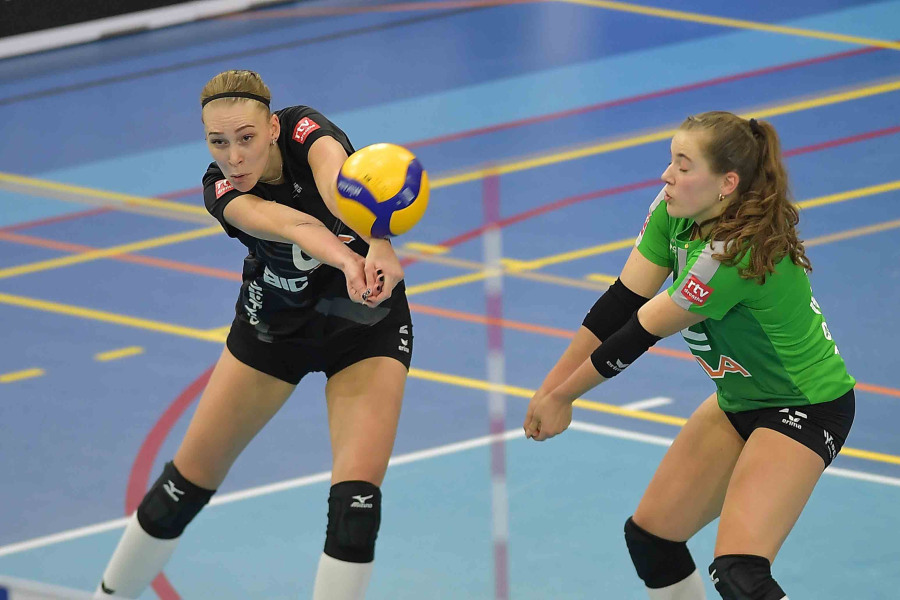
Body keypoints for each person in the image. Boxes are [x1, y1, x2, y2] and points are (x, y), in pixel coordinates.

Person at [94, 70, 413, 600]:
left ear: (272, 128)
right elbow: (295, 226)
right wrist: (350, 259)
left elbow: (336, 187)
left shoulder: (307, 130)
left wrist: (377, 241)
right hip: (272, 330)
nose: (234, 157)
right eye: (218, 142)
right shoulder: (219, 190)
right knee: (179, 491)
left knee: (355, 511)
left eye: (245, 138)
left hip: (363, 329)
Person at [523, 111, 855, 600]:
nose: (666, 175)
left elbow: (639, 332)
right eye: (670, 160)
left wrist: (563, 396)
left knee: (741, 574)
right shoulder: (674, 211)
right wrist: (551, 390)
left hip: (805, 406)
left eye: (683, 165)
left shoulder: (732, 253)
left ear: (726, 184)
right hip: (739, 401)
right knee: (653, 539)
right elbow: (620, 303)